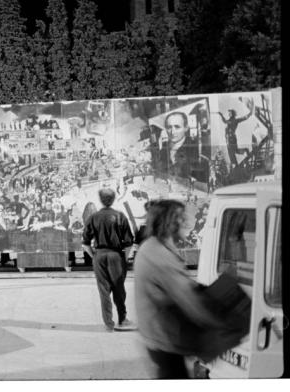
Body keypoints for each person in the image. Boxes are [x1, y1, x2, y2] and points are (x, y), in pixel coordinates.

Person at [134, 200, 225, 379]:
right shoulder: (160, 256)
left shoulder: (151, 246)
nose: (186, 223)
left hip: (157, 340)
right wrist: (222, 325)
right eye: (181, 218)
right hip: (165, 344)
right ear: (170, 222)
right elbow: (191, 303)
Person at [82, 188, 136, 332]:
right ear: (113, 199)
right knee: (119, 288)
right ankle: (122, 319)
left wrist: (95, 256)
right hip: (116, 255)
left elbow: (85, 244)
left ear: (100, 200)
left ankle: (108, 324)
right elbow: (129, 243)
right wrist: (123, 258)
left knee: (103, 290)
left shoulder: (93, 218)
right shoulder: (120, 216)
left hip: (99, 255)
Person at [158, 111, 207, 182]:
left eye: (177, 127)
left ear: (186, 128)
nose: (172, 132)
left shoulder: (196, 149)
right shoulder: (162, 151)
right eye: (169, 127)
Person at [218, 101, 254, 169]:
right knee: (234, 152)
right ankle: (244, 152)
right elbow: (225, 121)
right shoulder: (230, 120)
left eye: (230, 113)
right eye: (229, 113)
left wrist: (250, 114)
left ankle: (235, 165)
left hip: (231, 139)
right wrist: (221, 115)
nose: (229, 114)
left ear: (233, 114)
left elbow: (244, 118)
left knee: (232, 153)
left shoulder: (234, 120)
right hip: (229, 139)